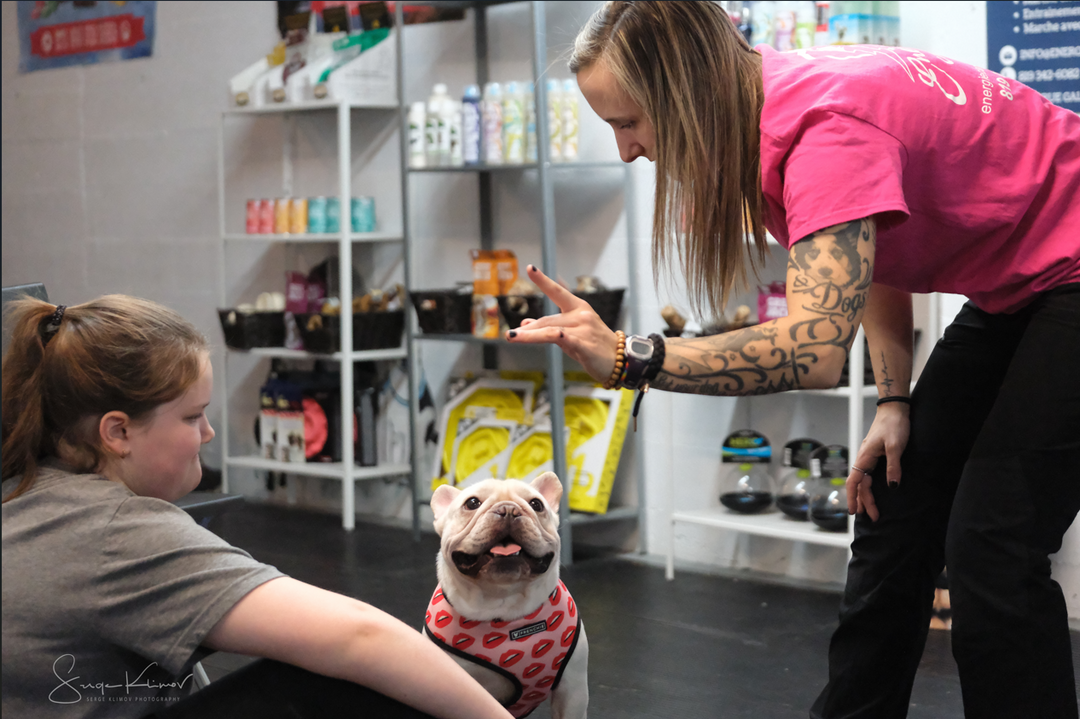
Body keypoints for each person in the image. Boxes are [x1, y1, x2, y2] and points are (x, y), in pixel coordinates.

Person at [507, 2, 1080, 718]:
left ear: (685, 90)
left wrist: (633, 356)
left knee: (994, 548)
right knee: (894, 507)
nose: (626, 150)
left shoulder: (819, 130)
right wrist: (894, 401)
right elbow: (878, 247)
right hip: (1024, 282)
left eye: (631, 122)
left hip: (1069, 271)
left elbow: (811, 351)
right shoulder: (779, 105)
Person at [0, 295, 513, 719]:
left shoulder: (29, 488)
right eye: (192, 417)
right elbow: (360, 635)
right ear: (118, 431)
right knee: (352, 678)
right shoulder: (114, 532)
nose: (208, 433)